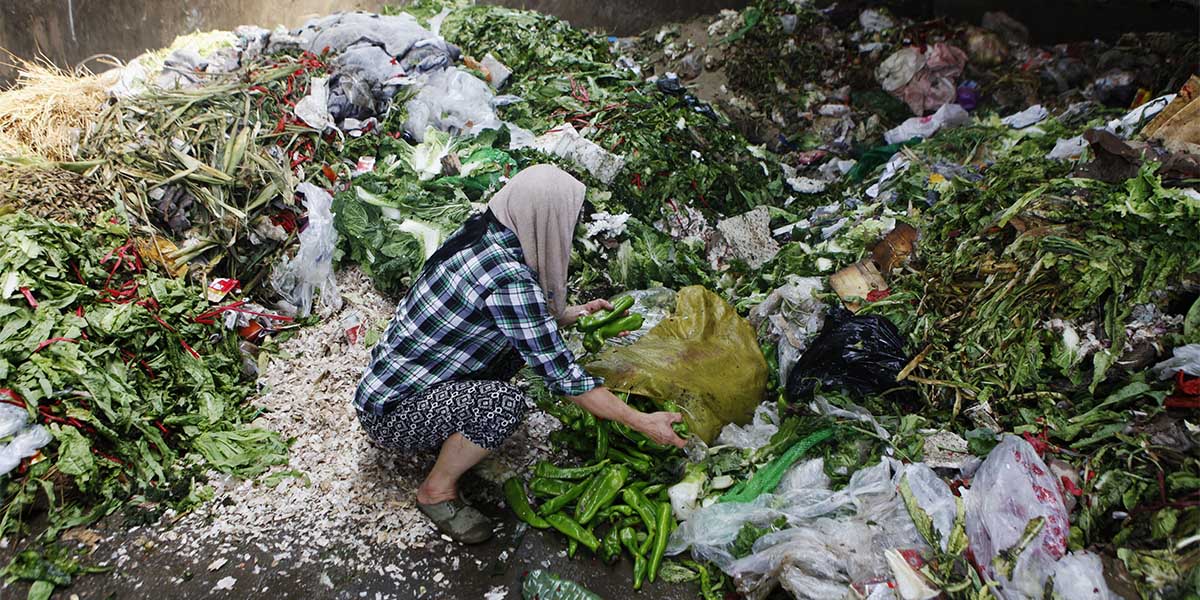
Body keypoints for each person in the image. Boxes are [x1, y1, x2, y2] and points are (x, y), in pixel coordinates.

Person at [354, 164, 686, 544]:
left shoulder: (483, 233)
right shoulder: (508, 277)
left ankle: (451, 436)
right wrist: (642, 422)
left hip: (391, 386)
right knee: (503, 404)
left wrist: (569, 315)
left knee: (518, 355)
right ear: (544, 219)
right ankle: (436, 491)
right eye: (566, 221)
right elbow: (564, 377)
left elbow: (516, 322)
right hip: (393, 415)